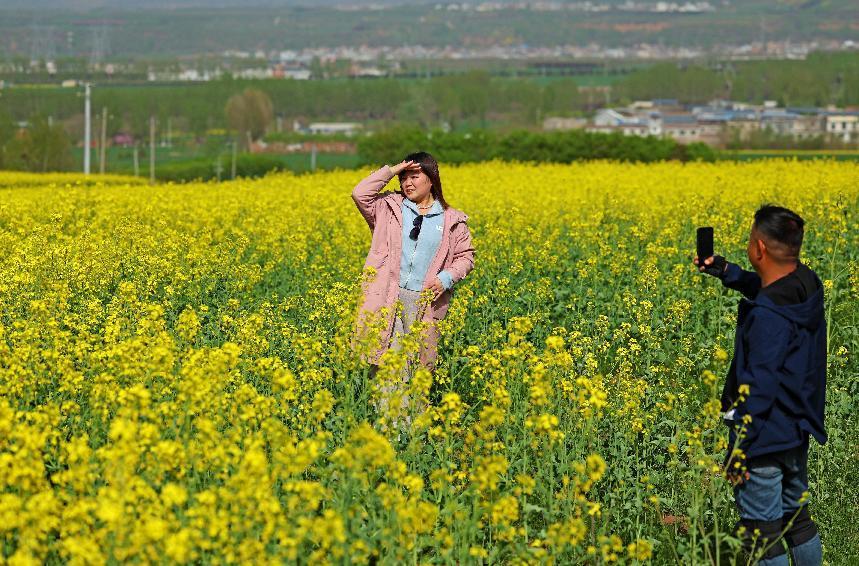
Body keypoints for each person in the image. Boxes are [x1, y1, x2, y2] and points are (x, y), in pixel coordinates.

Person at [695, 205, 826, 566]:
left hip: (763, 437)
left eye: (750, 238)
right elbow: (771, 290)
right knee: (797, 520)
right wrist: (729, 273)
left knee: (762, 535)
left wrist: (739, 451)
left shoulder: (767, 317)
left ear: (760, 248)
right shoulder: (807, 284)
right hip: (796, 427)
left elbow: (758, 389)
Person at [352, 152, 474, 422]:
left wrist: (446, 278)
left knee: (418, 369)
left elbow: (466, 257)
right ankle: (390, 431)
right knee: (388, 365)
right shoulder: (388, 208)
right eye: (403, 178)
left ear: (431, 180)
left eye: (414, 176)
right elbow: (360, 193)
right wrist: (393, 169)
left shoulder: (451, 219)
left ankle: (412, 432)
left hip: (426, 303)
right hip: (388, 296)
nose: (407, 183)